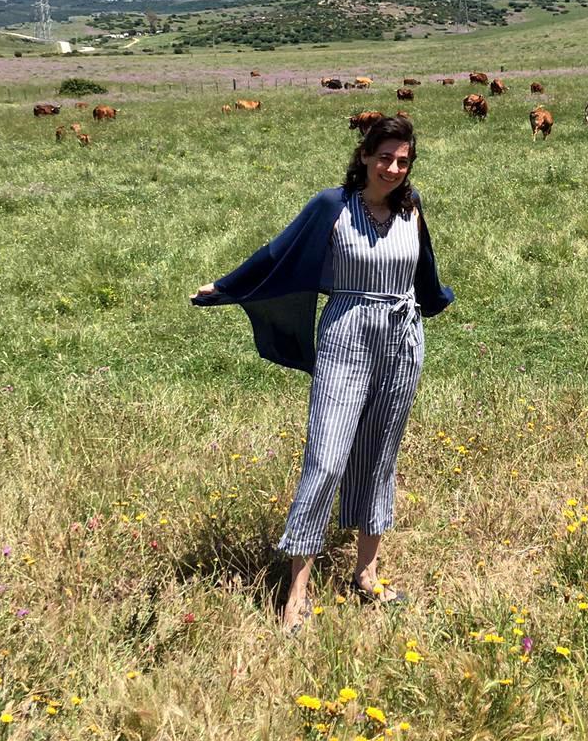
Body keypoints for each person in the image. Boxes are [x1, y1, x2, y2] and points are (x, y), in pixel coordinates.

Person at [191, 114, 452, 630]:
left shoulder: (412, 207)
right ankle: (296, 594)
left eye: (403, 161)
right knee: (327, 458)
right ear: (364, 156)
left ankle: (366, 574)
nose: (393, 169)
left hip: (402, 338)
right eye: (384, 158)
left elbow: (426, 271)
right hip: (346, 335)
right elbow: (277, 253)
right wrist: (226, 287)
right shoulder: (331, 206)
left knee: (379, 457)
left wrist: (430, 307)